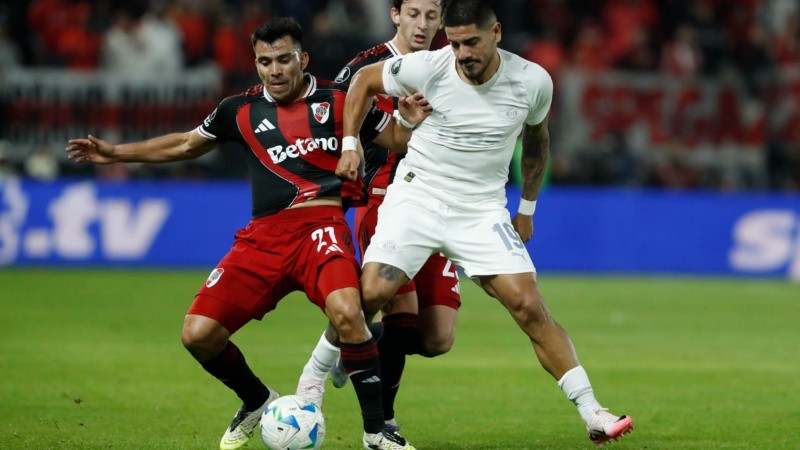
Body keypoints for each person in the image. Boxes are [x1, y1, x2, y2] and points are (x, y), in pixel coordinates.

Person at [65, 17, 426, 450]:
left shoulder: (340, 101)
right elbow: (184, 144)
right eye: (264, 61)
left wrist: (407, 122)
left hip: (321, 228)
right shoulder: (238, 110)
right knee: (198, 335)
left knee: (349, 315)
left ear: (302, 59)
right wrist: (115, 152)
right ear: (256, 64)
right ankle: (256, 400)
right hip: (264, 237)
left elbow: (394, 141)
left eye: (283, 60)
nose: (274, 70)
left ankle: (375, 434)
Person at [336, 0, 635, 446]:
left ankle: (592, 411)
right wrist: (349, 143)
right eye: (455, 44)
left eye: (471, 42)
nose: (462, 53)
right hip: (419, 196)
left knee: (528, 307)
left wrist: (527, 209)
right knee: (374, 293)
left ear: (495, 33)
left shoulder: (532, 81)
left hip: (480, 210)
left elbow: (536, 141)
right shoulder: (430, 66)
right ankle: (313, 386)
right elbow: (361, 80)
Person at [301, 0, 461, 432]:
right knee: (400, 312)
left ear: (442, 19)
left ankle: (354, 348)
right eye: (413, 14)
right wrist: (346, 156)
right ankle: (383, 422)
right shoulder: (367, 67)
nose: (422, 24)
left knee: (436, 338)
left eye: (431, 15)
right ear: (395, 14)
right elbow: (326, 118)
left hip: (441, 204)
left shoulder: (454, 65)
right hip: (386, 200)